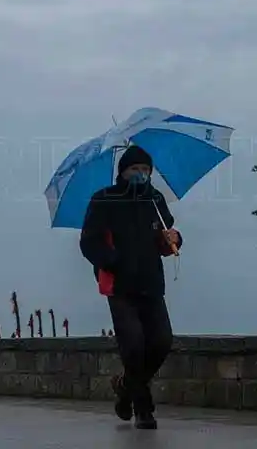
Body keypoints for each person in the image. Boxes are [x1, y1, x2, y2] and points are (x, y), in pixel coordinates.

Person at [79, 144, 183, 430]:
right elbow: (89, 242)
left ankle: (125, 386)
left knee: (161, 341)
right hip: (119, 285)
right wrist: (112, 260)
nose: (141, 174)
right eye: (135, 169)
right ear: (122, 171)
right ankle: (143, 407)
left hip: (151, 283)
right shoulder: (104, 200)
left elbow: (162, 241)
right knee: (134, 345)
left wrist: (173, 238)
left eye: (146, 170)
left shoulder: (155, 200)